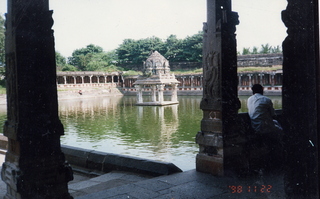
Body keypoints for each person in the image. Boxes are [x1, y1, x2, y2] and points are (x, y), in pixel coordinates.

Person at [247, 84, 283, 171]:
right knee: (281, 131)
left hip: (255, 126)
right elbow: (273, 115)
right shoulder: (266, 100)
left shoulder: (249, 99)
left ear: (252, 91)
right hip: (266, 128)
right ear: (262, 90)